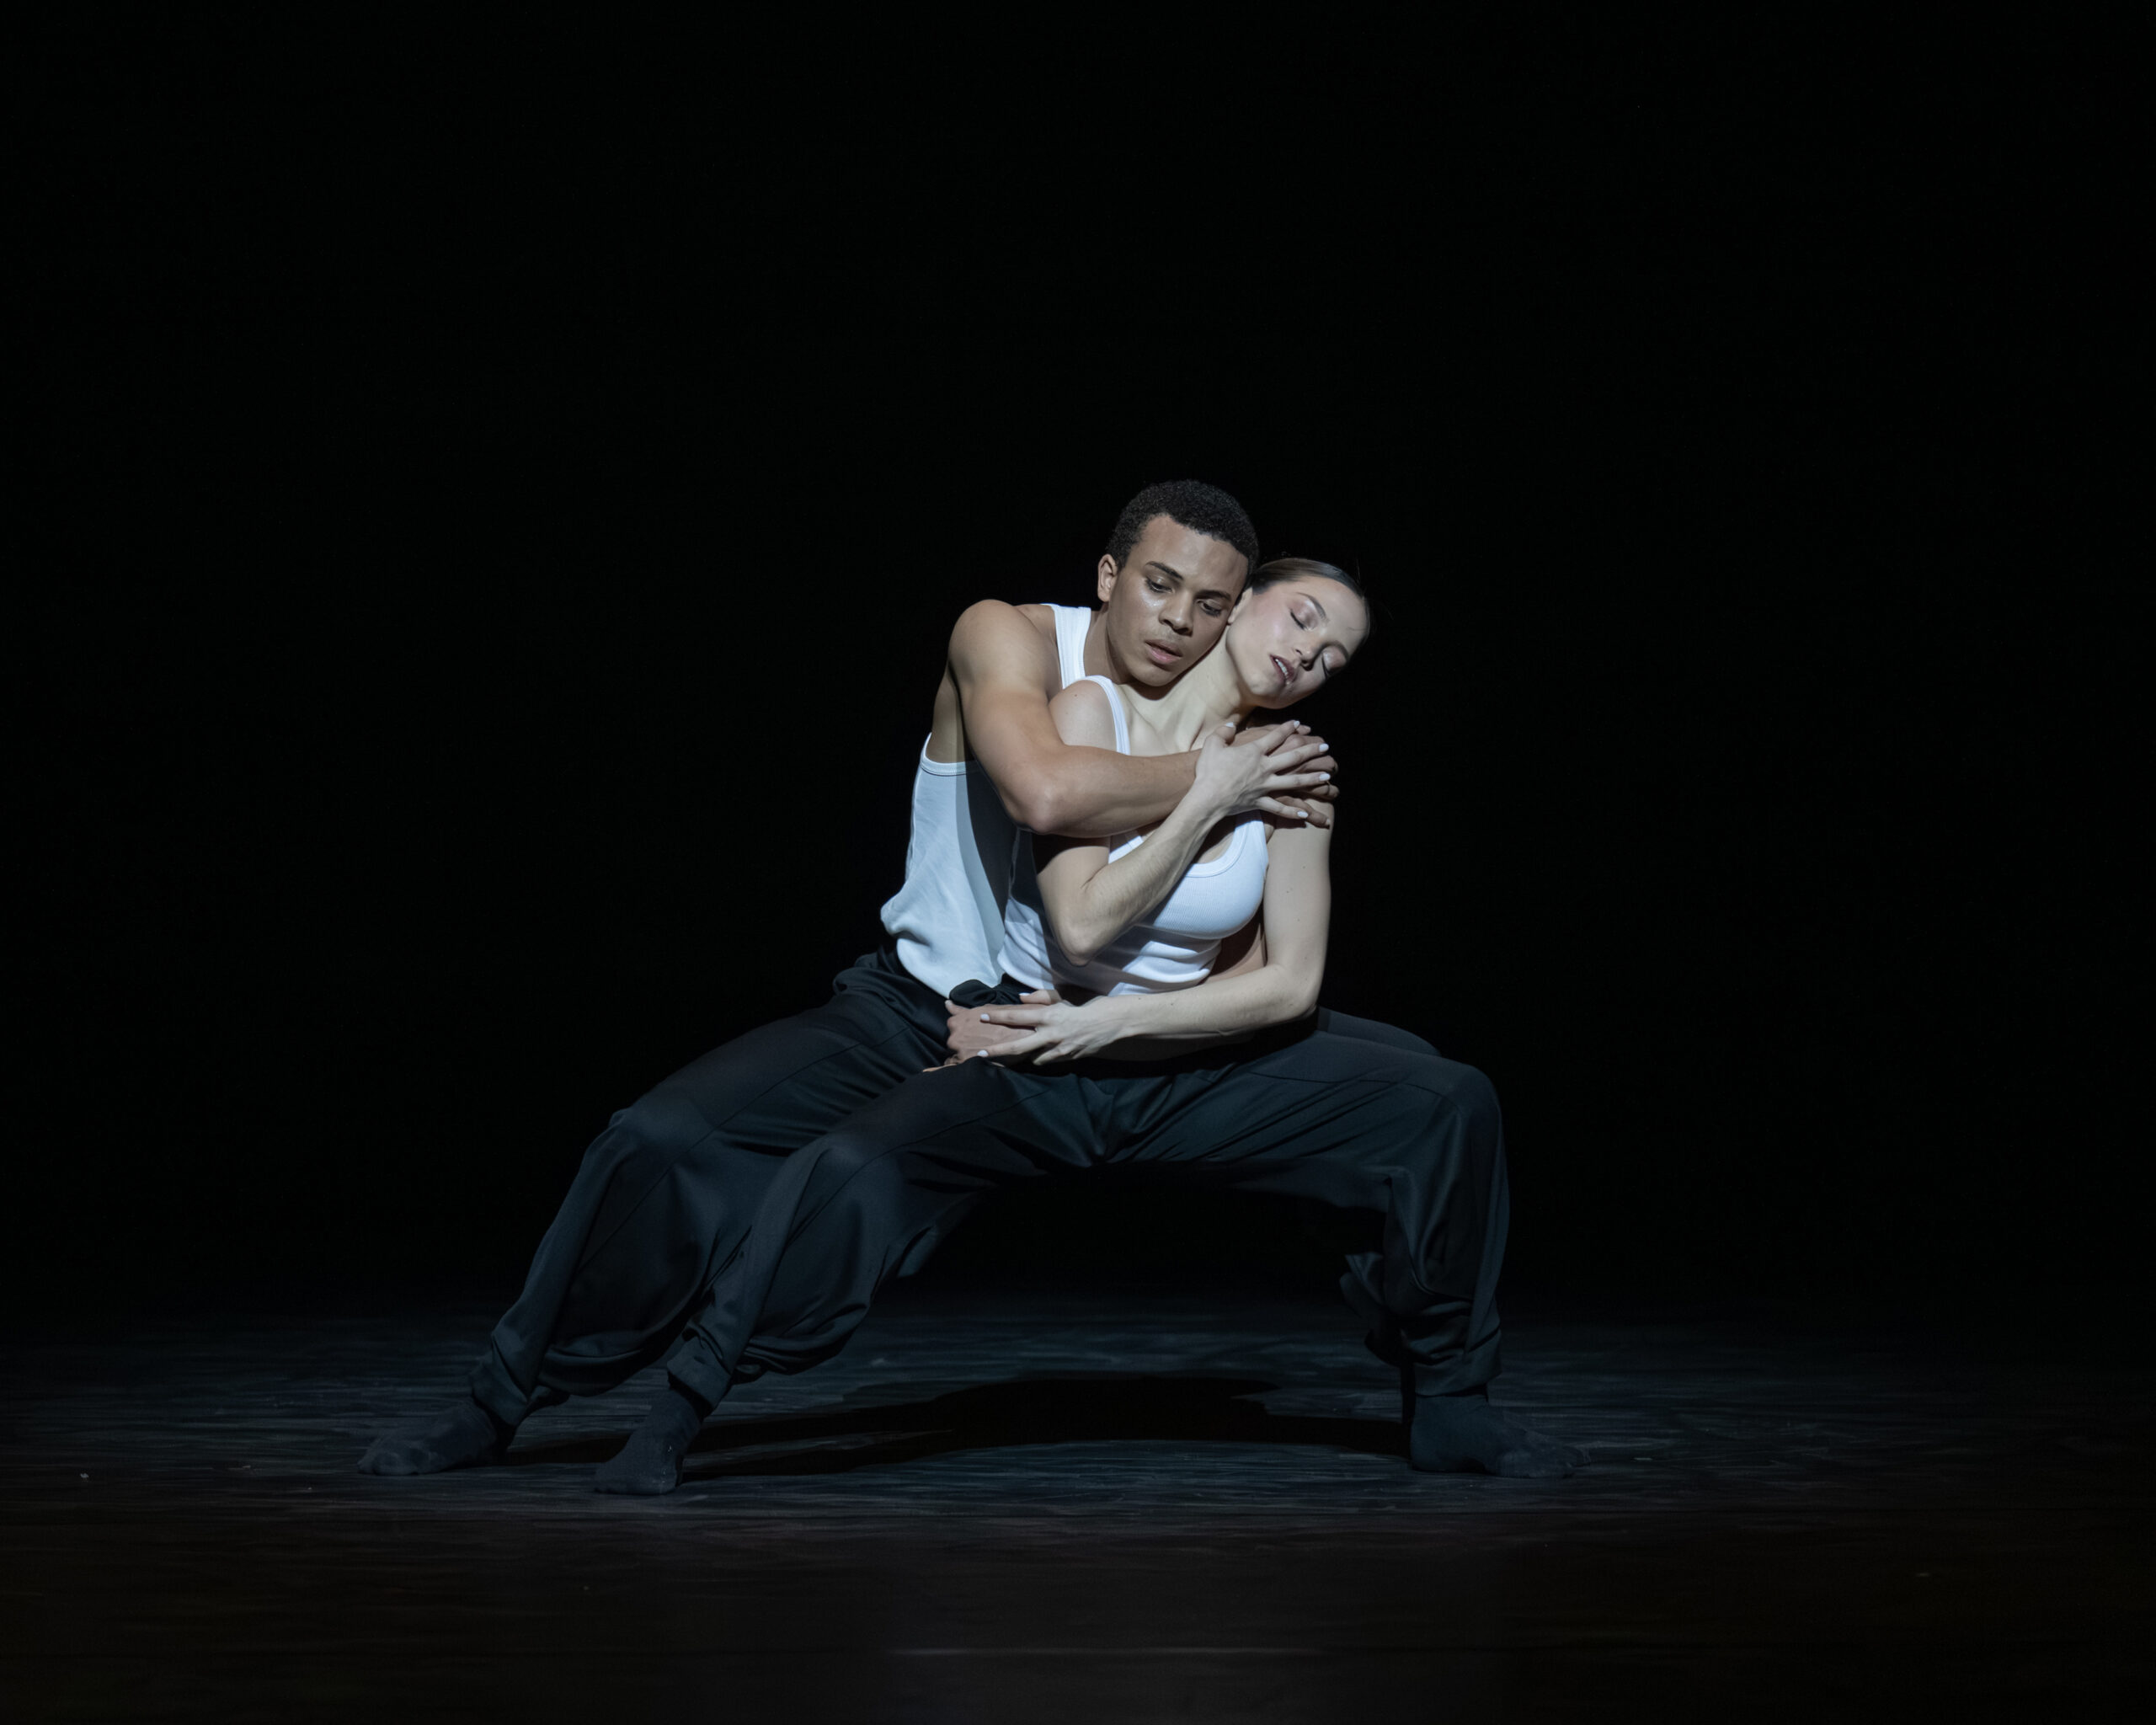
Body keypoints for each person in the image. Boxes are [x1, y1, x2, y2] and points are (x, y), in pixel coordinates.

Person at [358, 480, 1344, 1477]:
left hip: (1041, 1034)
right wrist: (1221, 781)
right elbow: (1044, 790)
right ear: (1108, 575)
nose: (1176, 618)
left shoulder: (1220, 729)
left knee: (844, 1187)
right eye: (1159, 584)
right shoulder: (1011, 637)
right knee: (657, 1139)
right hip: (912, 1001)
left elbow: (1227, 939)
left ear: (1230, 615)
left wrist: (1132, 995)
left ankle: (688, 1400)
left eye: (1207, 602)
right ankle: (498, 1398)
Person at [590, 558, 1584, 1495]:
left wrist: (1106, 1026)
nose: (1307, 655)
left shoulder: (1297, 775)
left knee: (1448, 1100)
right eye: (1302, 618)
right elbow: (1078, 928)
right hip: (1037, 1056)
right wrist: (1207, 794)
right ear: (1239, 600)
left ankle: (1451, 1402)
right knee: (851, 1165)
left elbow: (1288, 986)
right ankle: (680, 1408)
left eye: (1332, 657)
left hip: (1161, 1058)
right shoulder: (1094, 711)